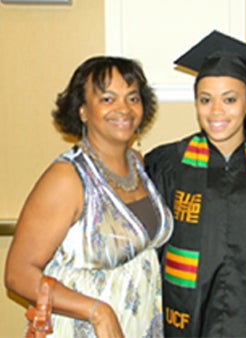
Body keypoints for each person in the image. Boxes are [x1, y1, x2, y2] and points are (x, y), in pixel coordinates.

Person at [4, 56, 173, 337]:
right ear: (82, 111)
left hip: (138, 323)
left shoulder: (137, 163)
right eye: (108, 99)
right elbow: (17, 274)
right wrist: (99, 312)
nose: (124, 109)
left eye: (133, 98)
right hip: (84, 327)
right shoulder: (67, 178)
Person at [144, 30, 246, 337]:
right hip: (187, 319)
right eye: (206, 100)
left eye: (230, 99)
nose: (216, 111)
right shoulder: (167, 163)